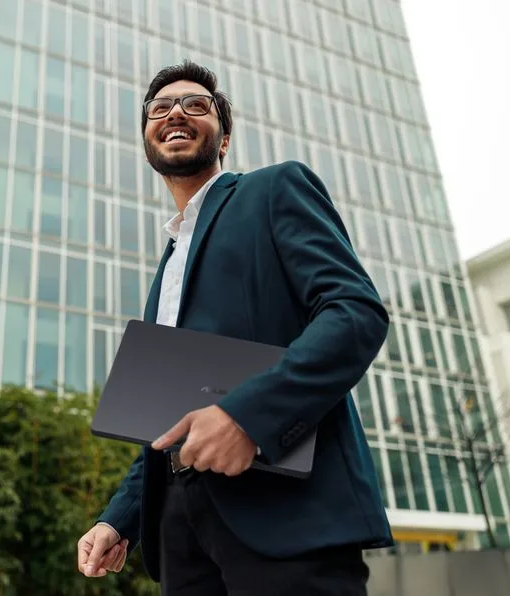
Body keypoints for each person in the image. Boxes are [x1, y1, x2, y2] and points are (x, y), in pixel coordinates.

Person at [75, 60, 393, 595]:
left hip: (286, 520)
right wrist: (119, 518)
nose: (175, 111)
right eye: (160, 108)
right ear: (148, 137)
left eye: (196, 104)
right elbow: (168, 416)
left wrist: (246, 417)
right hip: (181, 536)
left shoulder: (274, 190)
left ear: (224, 138)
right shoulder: (168, 263)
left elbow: (355, 312)